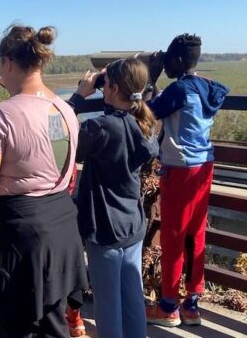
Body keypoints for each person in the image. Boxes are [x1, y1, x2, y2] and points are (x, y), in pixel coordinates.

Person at [0, 24, 88, 338]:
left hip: (19, 236)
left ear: (8, 62)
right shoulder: (64, 110)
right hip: (61, 226)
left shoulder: (3, 114)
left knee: (17, 327)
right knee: (53, 324)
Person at [69, 58, 159, 338]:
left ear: (112, 88)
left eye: (105, 83)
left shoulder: (102, 128)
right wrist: (110, 89)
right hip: (132, 222)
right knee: (132, 296)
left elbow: (58, 137)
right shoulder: (145, 124)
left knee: (107, 305)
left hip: (105, 226)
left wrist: (79, 97)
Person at [145, 33, 230, 327]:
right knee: (196, 236)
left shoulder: (178, 89)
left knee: (173, 237)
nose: (165, 63)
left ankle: (168, 305)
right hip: (205, 167)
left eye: (168, 59)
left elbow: (147, 112)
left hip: (181, 171)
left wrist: (149, 77)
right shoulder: (206, 87)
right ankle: (191, 304)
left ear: (179, 61)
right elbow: (171, 103)